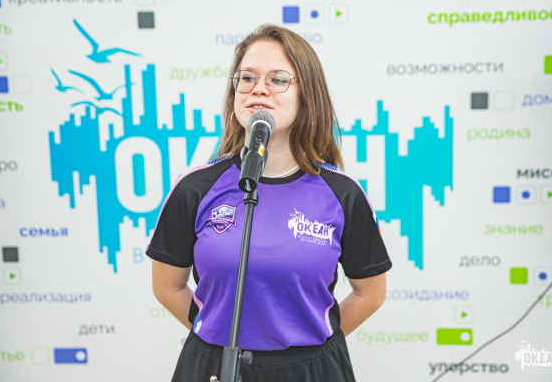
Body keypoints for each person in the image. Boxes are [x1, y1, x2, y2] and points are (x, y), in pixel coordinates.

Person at [146, 24, 392, 382]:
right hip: (214, 364)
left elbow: (370, 293)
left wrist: (313, 349)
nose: (258, 88)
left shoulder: (343, 194)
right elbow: (167, 286)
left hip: (311, 370)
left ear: (307, 94)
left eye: (278, 80)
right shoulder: (194, 188)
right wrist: (214, 337)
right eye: (247, 78)